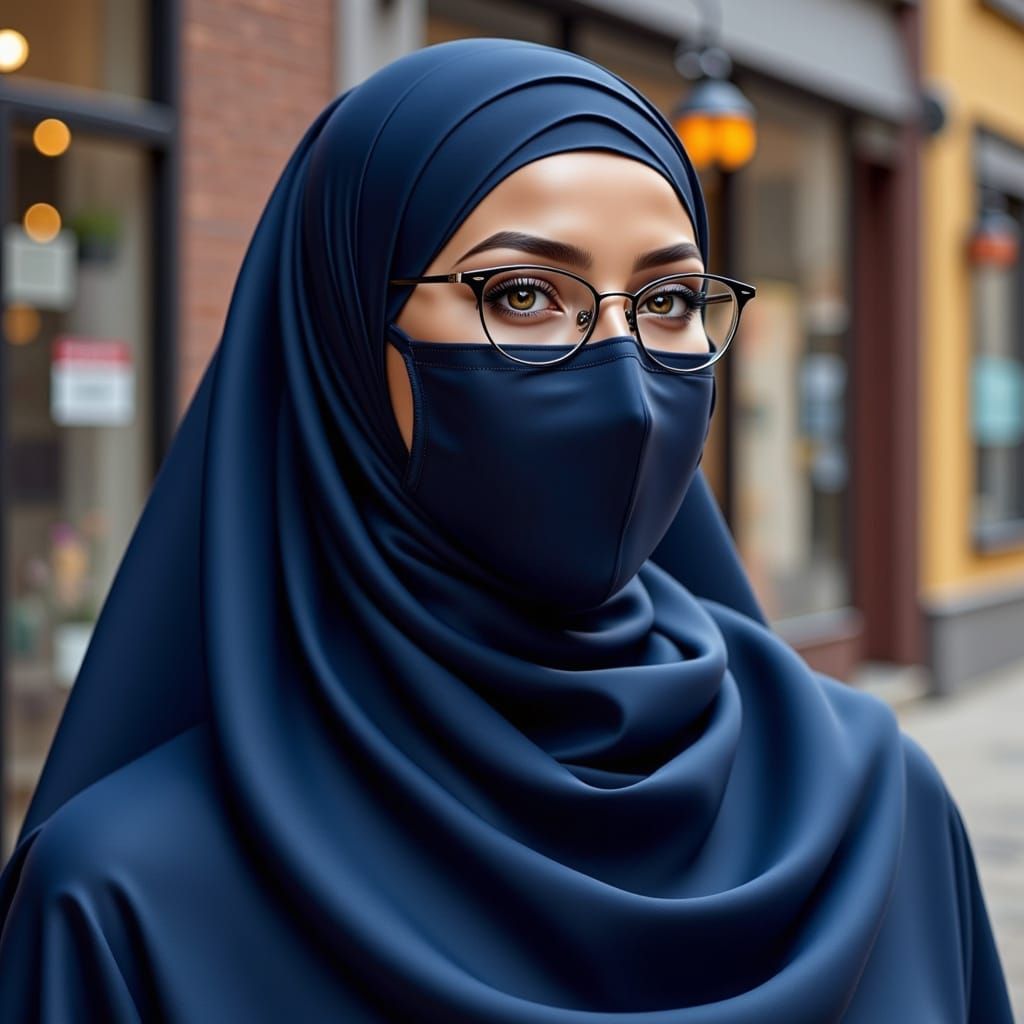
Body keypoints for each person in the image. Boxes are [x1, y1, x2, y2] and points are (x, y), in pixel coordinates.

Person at [0, 37, 1013, 1023]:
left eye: (667, 299)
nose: (628, 390)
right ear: (348, 346)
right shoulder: (127, 903)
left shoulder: (885, 806)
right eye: (523, 294)